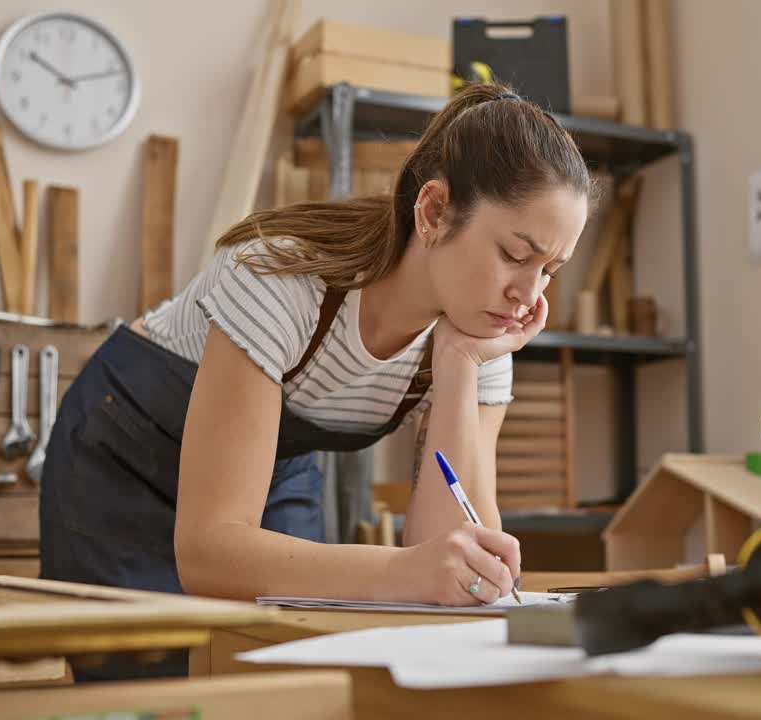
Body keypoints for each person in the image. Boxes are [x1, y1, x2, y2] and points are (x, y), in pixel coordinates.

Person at [38, 82, 595, 681]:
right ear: (433, 213)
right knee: (153, 687)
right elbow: (210, 552)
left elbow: (457, 564)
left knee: (288, 674)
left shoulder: (482, 333)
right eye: (515, 255)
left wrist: (460, 366)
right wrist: (403, 569)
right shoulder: (279, 277)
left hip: (271, 465)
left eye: (550, 270)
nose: (528, 297)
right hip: (127, 449)